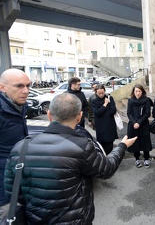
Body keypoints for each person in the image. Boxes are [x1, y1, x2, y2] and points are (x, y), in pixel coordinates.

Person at [4, 93, 137, 224]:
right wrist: (122, 146)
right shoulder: (82, 146)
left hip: (35, 219)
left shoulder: (20, 147)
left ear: (49, 115)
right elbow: (106, 169)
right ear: (79, 117)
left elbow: (12, 191)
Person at [0, 68, 30, 206]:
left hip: (18, 177)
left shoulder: (21, 106)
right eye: (19, 86)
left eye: (28, 85)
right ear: (2, 87)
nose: (26, 91)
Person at [127, 84, 153, 168]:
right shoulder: (130, 101)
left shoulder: (146, 100)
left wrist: (139, 122)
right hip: (133, 124)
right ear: (133, 92)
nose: (138, 93)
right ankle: (137, 158)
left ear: (142, 92)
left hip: (143, 124)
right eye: (136, 91)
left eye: (139, 91)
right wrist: (134, 122)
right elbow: (129, 113)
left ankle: (146, 158)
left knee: (145, 141)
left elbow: (147, 113)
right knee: (135, 142)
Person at [91, 84, 118, 154]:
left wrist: (103, 113)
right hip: (100, 125)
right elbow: (96, 113)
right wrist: (105, 105)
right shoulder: (94, 101)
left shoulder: (109, 98)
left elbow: (113, 110)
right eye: (99, 93)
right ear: (96, 93)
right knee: (101, 145)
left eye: (102, 93)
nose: (101, 95)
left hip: (109, 124)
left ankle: (109, 159)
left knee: (110, 144)